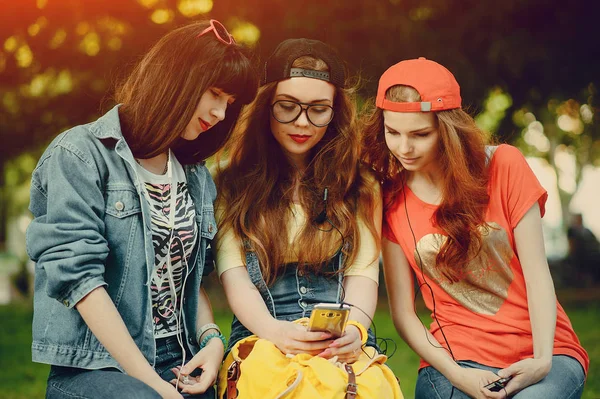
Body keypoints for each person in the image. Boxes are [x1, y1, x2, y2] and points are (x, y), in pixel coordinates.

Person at [26, 20, 257, 399]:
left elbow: (186, 278)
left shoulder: (195, 174)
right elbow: (81, 282)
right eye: (215, 93)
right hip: (97, 366)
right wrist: (152, 385)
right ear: (176, 77)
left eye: (229, 104)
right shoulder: (78, 154)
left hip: (180, 359)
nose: (219, 113)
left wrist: (212, 342)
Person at [362, 57, 589, 399]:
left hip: (546, 350)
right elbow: (404, 314)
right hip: (455, 360)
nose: (403, 148)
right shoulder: (389, 198)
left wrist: (542, 360)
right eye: (392, 132)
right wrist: (457, 375)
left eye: (420, 134)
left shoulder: (504, 164)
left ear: (447, 129)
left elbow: (538, 275)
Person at [213, 39, 402, 397]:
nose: (303, 122)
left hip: (343, 336)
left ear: (336, 112)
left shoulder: (361, 183)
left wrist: (357, 331)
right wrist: (276, 331)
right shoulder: (229, 181)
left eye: (319, 109)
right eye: (288, 107)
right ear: (265, 107)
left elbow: (362, 274)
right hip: (261, 332)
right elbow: (235, 278)